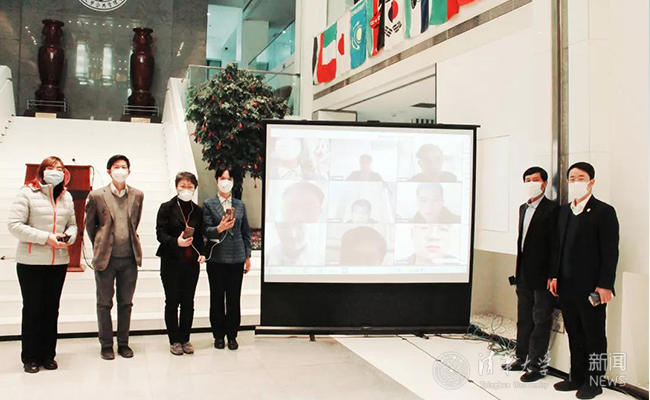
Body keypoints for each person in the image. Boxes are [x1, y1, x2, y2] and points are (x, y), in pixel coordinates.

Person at [549, 162, 619, 399]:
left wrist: (605, 284)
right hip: (566, 285)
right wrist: (554, 275)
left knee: (594, 334)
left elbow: (610, 251)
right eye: (572, 178)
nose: (575, 182)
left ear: (591, 182)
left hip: (592, 287)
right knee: (574, 332)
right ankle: (576, 376)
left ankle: (594, 381)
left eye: (581, 178)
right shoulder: (564, 211)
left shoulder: (604, 211)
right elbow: (558, 247)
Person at [7, 156, 77, 373]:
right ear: (42, 171)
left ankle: (48, 355)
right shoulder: (27, 193)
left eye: (60, 168)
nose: (56, 171)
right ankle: (30, 357)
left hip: (58, 262)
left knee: (51, 308)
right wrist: (46, 238)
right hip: (31, 262)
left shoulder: (66, 196)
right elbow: (14, 225)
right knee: (33, 308)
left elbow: (73, 224)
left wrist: (69, 237)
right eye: (51, 168)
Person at [501, 167, 558, 383]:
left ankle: (537, 366)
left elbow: (555, 246)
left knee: (540, 320)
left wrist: (553, 274)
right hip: (523, 273)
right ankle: (521, 358)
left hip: (543, 276)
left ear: (544, 183)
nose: (531, 183)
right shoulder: (522, 208)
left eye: (535, 179)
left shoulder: (553, 210)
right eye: (527, 180)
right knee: (524, 319)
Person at [85, 155, 144, 361]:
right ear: (109, 171)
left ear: (129, 170)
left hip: (129, 258)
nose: (121, 170)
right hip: (106, 259)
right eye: (116, 167)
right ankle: (106, 344)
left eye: (124, 167)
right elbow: (90, 226)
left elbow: (134, 223)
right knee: (104, 303)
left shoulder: (137, 195)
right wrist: (101, 244)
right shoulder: (96, 196)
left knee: (126, 303)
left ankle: (124, 343)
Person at [155, 172, 206, 356]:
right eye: (182, 186)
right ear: (176, 187)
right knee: (172, 301)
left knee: (188, 302)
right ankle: (174, 340)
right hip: (171, 261)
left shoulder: (198, 211)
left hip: (191, 263)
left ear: (195, 188)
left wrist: (203, 253)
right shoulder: (166, 208)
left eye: (190, 186)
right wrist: (175, 242)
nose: (186, 189)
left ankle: (185, 338)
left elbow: (200, 236)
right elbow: (160, 233)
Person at [203, 166, 252, 351]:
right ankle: (218, 335)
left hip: (237, 257)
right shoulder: (208, 204)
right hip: (216, 258)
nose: (226, 182)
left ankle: (232, 335)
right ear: (217, 180)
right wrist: (220, 228)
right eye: (222, 178)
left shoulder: (240, 205)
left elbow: (245, 232)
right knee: (216, 298)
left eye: (229, 179)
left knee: (234, 299)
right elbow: (205, 230)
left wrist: (247, 256)